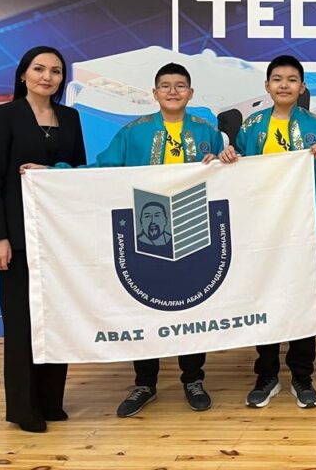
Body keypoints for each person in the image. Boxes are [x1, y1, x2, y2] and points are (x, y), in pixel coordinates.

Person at [89, 63, 223, 418]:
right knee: (144, 304)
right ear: (154, 93)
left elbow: (224, 177)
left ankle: (193, 379)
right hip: (145, 227)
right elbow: (103, 170)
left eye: (180, 86)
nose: (173, 91)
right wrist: (54, 174)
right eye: (165, 86)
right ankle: (145, 382)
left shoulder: (207, 131)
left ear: (191, 93)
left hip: (193, 225)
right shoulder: (133, 132)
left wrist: (220, 162)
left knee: (192, 303)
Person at [218, 55, 316, 409]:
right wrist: (229, 158)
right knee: (265, 299)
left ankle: (302, 376)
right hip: (263, 229)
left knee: (303, 301)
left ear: (301, 87)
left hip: (305, 226)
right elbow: (239, 173)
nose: (284, 85)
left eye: (291, 80)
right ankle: (266, 374)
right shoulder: (252, 126)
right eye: (277, 79)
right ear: (267, 86)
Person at [0, 46, 87, 433]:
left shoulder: (71, 117)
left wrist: (52, 171)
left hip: (57, 237)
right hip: (18, 236)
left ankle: (50, 402)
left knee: (56, 320)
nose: (48, 77)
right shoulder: (5, 115)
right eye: (39, 69)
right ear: (23, 74)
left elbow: (79, 172)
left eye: (56, 71)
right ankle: (23, 408)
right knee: (21, 324)